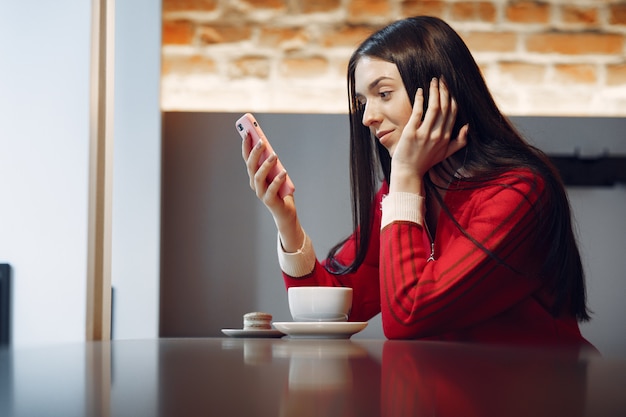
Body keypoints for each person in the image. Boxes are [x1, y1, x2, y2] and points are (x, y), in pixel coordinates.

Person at [241, 16, 595, 347]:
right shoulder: (406, 193)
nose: (367, 117)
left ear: (439, 92)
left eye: (383, 94)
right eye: (362, 101)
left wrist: (406, 177)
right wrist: (286, 220)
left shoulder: (518, 192)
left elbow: (408, 317)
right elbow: (336, 307)